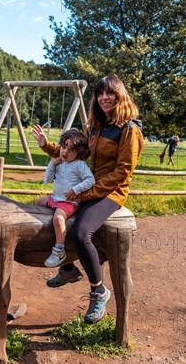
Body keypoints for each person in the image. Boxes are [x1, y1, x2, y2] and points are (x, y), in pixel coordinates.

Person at [32, 74, 144, 324]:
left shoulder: (129, 129)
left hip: (111, 191)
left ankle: (98, 291)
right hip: (87, 186)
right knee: (52, 214)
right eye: (100, 93)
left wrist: (87, 194)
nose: (104, 97)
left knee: (82, 232)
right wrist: (46, 146)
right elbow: (75, 153)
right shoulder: (95, 126)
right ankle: (69, 269)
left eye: (110, 93)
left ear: (119, 95)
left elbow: (123, 172)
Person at [32, 128, 95, 268]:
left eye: (70, 150)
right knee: (38, 202)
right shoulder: (60, 163)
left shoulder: (79, 165)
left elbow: (90, 180)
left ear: (78, 153)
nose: (65, 152)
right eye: (63, 147)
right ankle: (44, 234)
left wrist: (76, 189)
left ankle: (59, 249)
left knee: (58, 218)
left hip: (68, 202)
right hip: (55, 198)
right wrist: (52, 164)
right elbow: (47, 180)